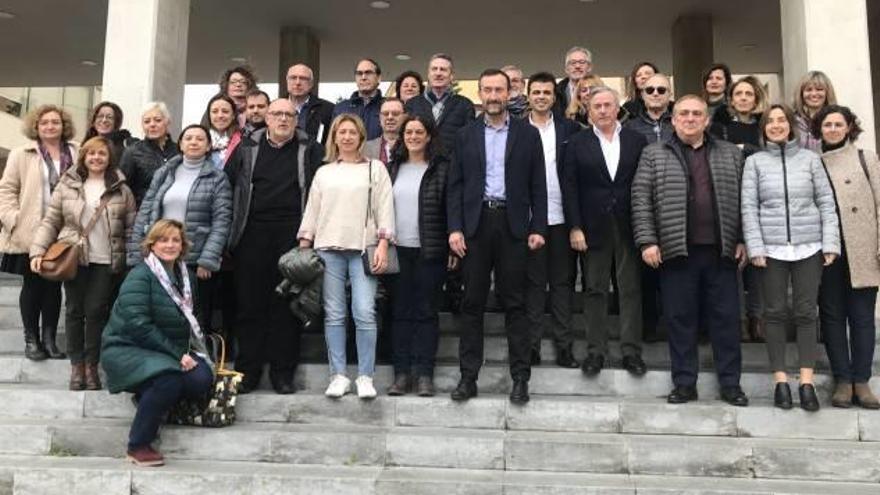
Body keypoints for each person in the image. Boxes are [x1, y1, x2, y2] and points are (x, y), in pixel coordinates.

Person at [631, 95, 749, 407]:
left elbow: (743, 200)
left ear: (707, 120)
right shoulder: (654, 154)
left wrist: (742, 239)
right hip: (675, 250)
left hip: (721, 250)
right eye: (684, 113)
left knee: (725, 320)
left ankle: (730, 384)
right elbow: (641, 200)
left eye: (697, 113)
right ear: (673, 119)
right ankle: (684, 383)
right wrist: (648, 241)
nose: (690, 119)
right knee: (680, 319)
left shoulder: (729, 154)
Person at [447, 69, 547, 404]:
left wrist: (538, 227)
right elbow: (455, 186)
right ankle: (467, 378)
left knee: (515, 304)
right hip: (475, 227)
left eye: (499, 90)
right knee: (472, 303)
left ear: (509, 93)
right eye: (487, 89)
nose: (493, 95)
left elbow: (538, 185)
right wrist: (455, 228)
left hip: (513, 225)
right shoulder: (465, 135)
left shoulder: (527, 135)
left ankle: (520, 379)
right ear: (481, 93)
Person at [742, 104, 839, 411]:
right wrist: (755, 247)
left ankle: (806, 382)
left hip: (809, 245)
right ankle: (781, 381)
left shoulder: (811, 160)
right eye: (770, 121)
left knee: (806, 311)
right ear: (763, 128)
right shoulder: (755, 162)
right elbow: (749, 207)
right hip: (770, 248)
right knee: (774, 312)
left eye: (781, 120)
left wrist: (830, 242)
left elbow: (825, 202)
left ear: (790, 125)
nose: (776, 125)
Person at [226, 98, 323, 394]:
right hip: (252, 233)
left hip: (293, 235)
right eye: (277, 114)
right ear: (266, 118)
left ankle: (283, 374)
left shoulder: (311, 150)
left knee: (286, 305)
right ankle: (248, 371)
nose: (283, 119)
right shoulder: (246, 149)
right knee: (250, 305)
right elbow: (228, 188)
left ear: (297, 120)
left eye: (289, 115)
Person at [101, 219, 213, 467]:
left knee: (202, 378)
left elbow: (193, 320)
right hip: (128, 347)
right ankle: (138, 445)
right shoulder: (140, 276)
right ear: (152, 244)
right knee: (168, 380)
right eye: (163, 239)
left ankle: (147, 396)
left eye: (176, 240)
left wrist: (193, 353)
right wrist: (176, 355)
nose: (170, 245)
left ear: (183, 245)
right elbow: (138, 325)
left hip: (164, 351)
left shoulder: (187, 277)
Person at [297, 114, 394, 400]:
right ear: (335, 137)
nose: (348, 137)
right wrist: (304, 246)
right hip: (328, 249)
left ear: (361, 137)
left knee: (364, 312)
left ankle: (365, 376)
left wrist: (384, 245)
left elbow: (385, 208)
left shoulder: (375, 168)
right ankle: (338, 374)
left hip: (364, 249)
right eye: (342, 132)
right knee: (335, 315)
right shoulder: (324, 172)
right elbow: (312, 210)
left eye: (353, 132)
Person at [30, 136, 136, 389]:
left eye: (102, 154)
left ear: (109, 158)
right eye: (91, 154)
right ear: (84, 157)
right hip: (74, 258)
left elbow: (132, 228)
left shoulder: (122, 188)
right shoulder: (68, 185)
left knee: (97, 311)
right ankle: (76, 367)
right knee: (75, 311)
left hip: (106, 259)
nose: (96, 158)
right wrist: (37, 251)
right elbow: (51, 221)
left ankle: (92, 366)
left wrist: (133, 260)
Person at [564, 87, 648, 376]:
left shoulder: (637, 141)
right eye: (596, 106)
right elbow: (570, 187)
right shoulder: (576, 143)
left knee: (630, 289)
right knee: (594, 290)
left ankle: (631, 352)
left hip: (630, 223)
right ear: (589, 110)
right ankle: (595, 352)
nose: (602, 110)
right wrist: (575, 226)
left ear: (617, 108)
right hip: (592, 226)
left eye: (607, 105)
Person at [128, 124, 232, 337]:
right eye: (189, 138)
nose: (194, 142)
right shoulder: (165, 172)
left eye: (200, 139)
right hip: (161, 255)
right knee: (161, 314)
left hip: (196, 258)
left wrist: (208, 259)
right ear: (181, 145)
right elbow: (146, 210)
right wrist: (136, 252)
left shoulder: (217, 178)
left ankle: (199, 362)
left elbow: (222, 221)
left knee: (197, 317)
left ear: (208, 146)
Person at [814, 105, 880, 409]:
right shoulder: (813, 162)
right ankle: (842, 380)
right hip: (827, 252)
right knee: (832, 316)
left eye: (838, 124)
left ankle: (862, 380)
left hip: (863, 248)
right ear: (819, 130)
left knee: (863, 317)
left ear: (849, 127)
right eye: (827, 124)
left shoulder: (866, 158)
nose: (832, 129)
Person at [0, 105, 78, 361]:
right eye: (44, 122)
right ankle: (31, 339)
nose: (50, 126)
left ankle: (50, 339)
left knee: (54, 286)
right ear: (36, 126)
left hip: (62, 230)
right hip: (30, 229)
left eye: (55, 122)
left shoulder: (76, 152)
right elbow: (7, 190)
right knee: (33, 284)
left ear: (63, 125)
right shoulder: (22, 153)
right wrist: (14, 219)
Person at [385, 114, 450, 396]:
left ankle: (424, 373)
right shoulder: (391, 168)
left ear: (429, 136)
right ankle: (401, 374)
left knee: (426, 313)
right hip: (398, 251)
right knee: (399, 313)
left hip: (430, 250)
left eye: (418, 132)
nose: (413, 137)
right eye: (408, 132)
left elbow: (450, 208)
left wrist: (450, 245)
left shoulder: (441, 168)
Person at [523, 72, 580, 368]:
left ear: (554, 97)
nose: (542, 96)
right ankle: (531, 346)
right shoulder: (516, 129)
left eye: (547, 92)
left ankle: (564, 347)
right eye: (537, 92)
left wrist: (577, 223)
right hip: (529, 220)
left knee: (561, 285)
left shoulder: (570, 129)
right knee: (532, 285)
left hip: (561, 217)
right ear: (528, 95)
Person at [405, 53, 475, 153]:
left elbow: (470, 140)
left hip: (452, 165)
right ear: (428, 75)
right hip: (421, 164)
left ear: (451, 76)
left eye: (443, 69)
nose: (438, 73)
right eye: (434, 69)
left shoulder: (465, 105)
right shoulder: (412, 104)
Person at [118, 102, 179, 206]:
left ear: (168, 122)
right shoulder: (132, 152)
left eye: (158, 120)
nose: (152, 125)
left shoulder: (180, 150)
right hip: (144, 214)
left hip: (174, 213)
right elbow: (123, 189)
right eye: (147, 121)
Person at [333, 58, 385, 140]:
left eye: (368, 73)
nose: (363, 77)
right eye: (359, 73)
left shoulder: (387, 107)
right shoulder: (340, 108)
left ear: (378, 78)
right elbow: (333, 140)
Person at [286, 63, 334, 144]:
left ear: (311, 84)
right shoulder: (274, 108)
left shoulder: (328, 109)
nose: (297, 82)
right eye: (293, 78)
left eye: (303, 78)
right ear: (287, 81)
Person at [793, 71, 837, 152]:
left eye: (819, 89)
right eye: (808, 90)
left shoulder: (838, 120)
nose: (813, 94)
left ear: (827, 93)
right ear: (801, 93)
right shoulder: (792, 121)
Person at [624, 73, 674, 144]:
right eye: (650, 90)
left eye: (661, 90)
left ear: (669, 94)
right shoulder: (629, 127)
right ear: (643, 95)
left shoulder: (681, 123)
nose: (655, 93)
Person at [200, 94, 242, 169]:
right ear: (209, 115)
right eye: (215, 111)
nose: (220, 115)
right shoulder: (198, 139)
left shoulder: (242, 141)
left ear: (233, 116)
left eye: (225, 111)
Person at [553, 46, 594, 117]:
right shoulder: (556, 93)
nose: (577, 66)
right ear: (566, 69)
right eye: (573, 63)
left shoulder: (601, 90)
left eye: (582, 62)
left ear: (589, 67)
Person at [364, 98, 404, 163]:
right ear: (380, 118)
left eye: (395, 113)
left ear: (405, 116)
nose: (390, 117)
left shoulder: (414, 146)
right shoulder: (365, 148)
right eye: (385, 114)